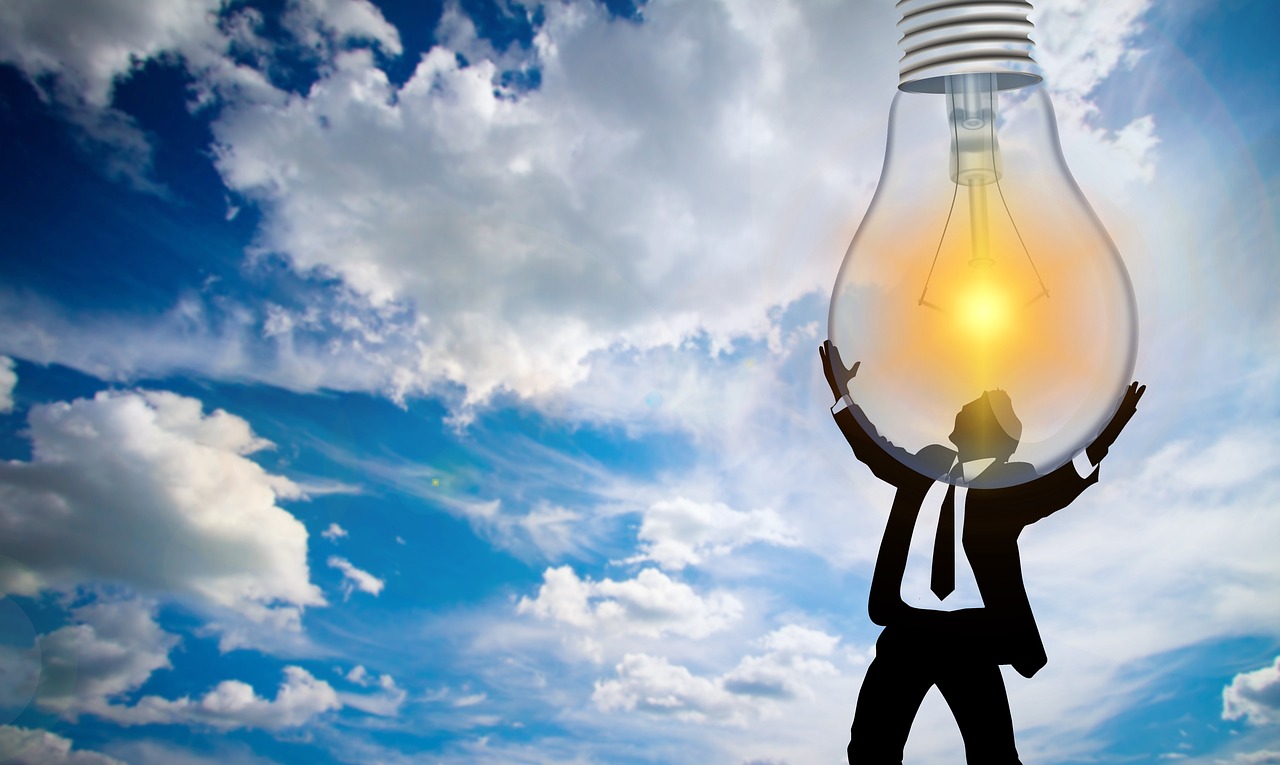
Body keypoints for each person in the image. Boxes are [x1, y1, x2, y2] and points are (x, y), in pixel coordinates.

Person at [819, 340, 1144, 764]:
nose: (961, 410)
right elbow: (874, 451)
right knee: (869, 751)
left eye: (973, 409)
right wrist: (842, 395)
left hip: (971, 637)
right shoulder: (929, 462)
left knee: (992, 755)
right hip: (906, 629)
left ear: (995, 433)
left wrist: (1105, 437)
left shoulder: (1012, 482)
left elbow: (1061, 485)